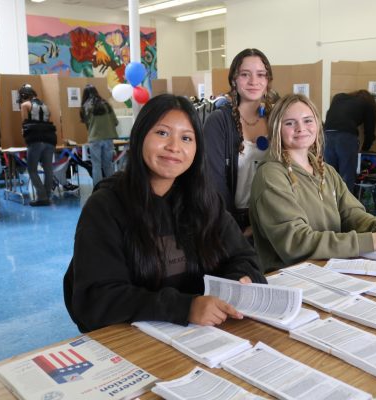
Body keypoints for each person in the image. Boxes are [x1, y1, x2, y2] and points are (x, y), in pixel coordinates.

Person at [63, 94, 266, 333]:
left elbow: (246, 258)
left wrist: (239, 281)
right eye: (162, 133)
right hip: (134, 344)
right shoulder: (106, 207)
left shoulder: (204, 201)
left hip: (204, 337)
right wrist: (185, 307)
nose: (174, 147)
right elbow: (96, 299)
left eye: (186, 138)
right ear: (140, 137)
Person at [249, 94, 376, 273]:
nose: (301, 128)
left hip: (329, 269)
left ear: (318, 124)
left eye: (307, 120)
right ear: (276, 128)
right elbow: (297, 243)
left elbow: (353, 216)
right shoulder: (271, 175)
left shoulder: (325, 170)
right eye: (289, 123)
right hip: (292, 278)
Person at [204, 48, 274, 235]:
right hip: (232, 222)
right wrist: (233, 230)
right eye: (245, 74)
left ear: (268, 81)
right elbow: (214, 182)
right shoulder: (219, 122)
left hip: (274, 219)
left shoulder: (277, 119)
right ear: (234, 79)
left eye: (261, 75)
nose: (253, 81)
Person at [323, 90, 376, 192]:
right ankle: (346, 206)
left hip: (326, 135)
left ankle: (329, 205)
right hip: (346, 138)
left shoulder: (338, 97)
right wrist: (364, 149)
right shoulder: (367, 104)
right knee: (347, 176)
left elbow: (329, 115)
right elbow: (369, 131)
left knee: (329, 175)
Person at [18, 84, 57, 206]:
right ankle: (48, 195)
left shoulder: (25, 105)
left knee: (32, 169)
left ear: (24, 96)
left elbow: (24, 122)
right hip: (50, 139)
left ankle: (42, 197)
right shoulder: (46, 106)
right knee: (48, 169)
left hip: (35, 140)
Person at [80, 84, 119, 185]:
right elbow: (115, 122)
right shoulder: (106, 104)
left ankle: (98, 189)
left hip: (95, 138)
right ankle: (112, 187)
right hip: (108, 138)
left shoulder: (86, 106)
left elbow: (86, 124)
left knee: (96, 165)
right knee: (108, 165)